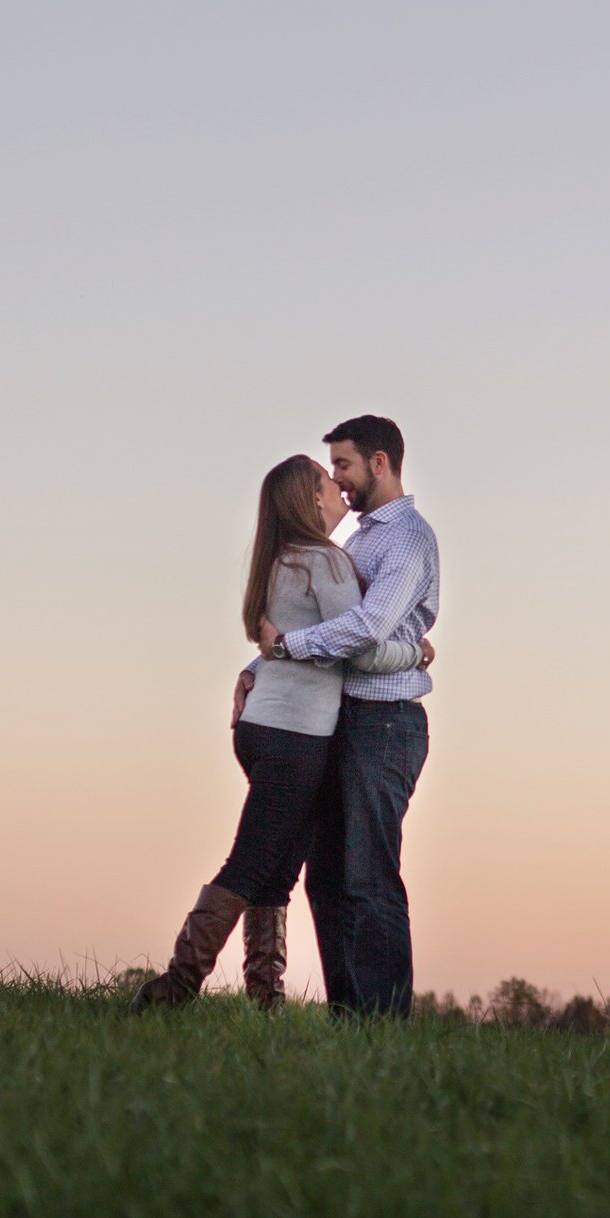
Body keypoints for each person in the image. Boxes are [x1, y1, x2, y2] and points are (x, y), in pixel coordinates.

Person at [131, 454, 430, 1013]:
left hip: (264, 728)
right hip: (295, 737)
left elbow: (283, 643)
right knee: (251, 862)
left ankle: (265, 1000)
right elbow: (360, 647)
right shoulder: (327, 562)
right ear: (312, 499)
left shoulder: (282, 561)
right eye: (328, 478)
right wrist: (416, 651)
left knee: (280, 862)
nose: (339, 486)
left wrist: (254, 668)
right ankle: (175, 987)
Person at [250, 414, 440, 1018]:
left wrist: (285, 649)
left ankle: (381, 1023)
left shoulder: (407, 537)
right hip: (340, 719)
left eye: (344, 466)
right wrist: (258, 670)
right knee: (327, 879)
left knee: (368, 877)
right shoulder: (356, 541)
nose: (337, 479)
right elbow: (320, 623)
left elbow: (362, 630)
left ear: (379, 462)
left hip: (384, 725)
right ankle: (349, 1017)